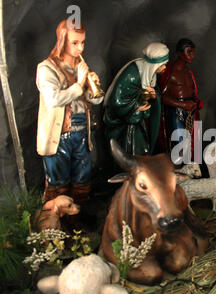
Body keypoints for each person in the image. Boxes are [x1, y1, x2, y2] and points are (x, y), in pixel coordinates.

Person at [36, 19, 103, 205]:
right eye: (75, 43)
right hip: (59, 135)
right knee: (59, 182)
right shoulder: (46, 68)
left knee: (82, 179)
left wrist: (92, 86)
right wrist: (80, 84)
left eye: (83, 42)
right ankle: (55, 225)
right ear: (62, 41)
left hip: (81, 132)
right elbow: (54, 100)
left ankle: (77, 220)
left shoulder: (80, 68)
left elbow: (97, 99)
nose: (80, 48)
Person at [103, 42, 169, 156]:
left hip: (137, 121)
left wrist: (153, 96)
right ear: (154, 65)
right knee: (131, 153)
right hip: (125, 123)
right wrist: (137, 106)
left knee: (140, 150)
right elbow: (116, 102)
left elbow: (148, 94)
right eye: (162, 64)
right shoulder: (131, 75)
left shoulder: (148, 72)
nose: (165, 67)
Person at [158, 38, 203, 157]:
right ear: (179, 53)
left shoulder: (188, 72)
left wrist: (195, 103)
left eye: (193, 52)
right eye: (189, 52)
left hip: (191, 113)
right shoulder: (169, 72)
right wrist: (183, 105)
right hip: (176, 112)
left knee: (192, 147)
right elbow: (160, 97)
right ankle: (177, 172)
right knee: (179, 147)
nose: (192, 55)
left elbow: (193, 93)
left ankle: (189, 172)